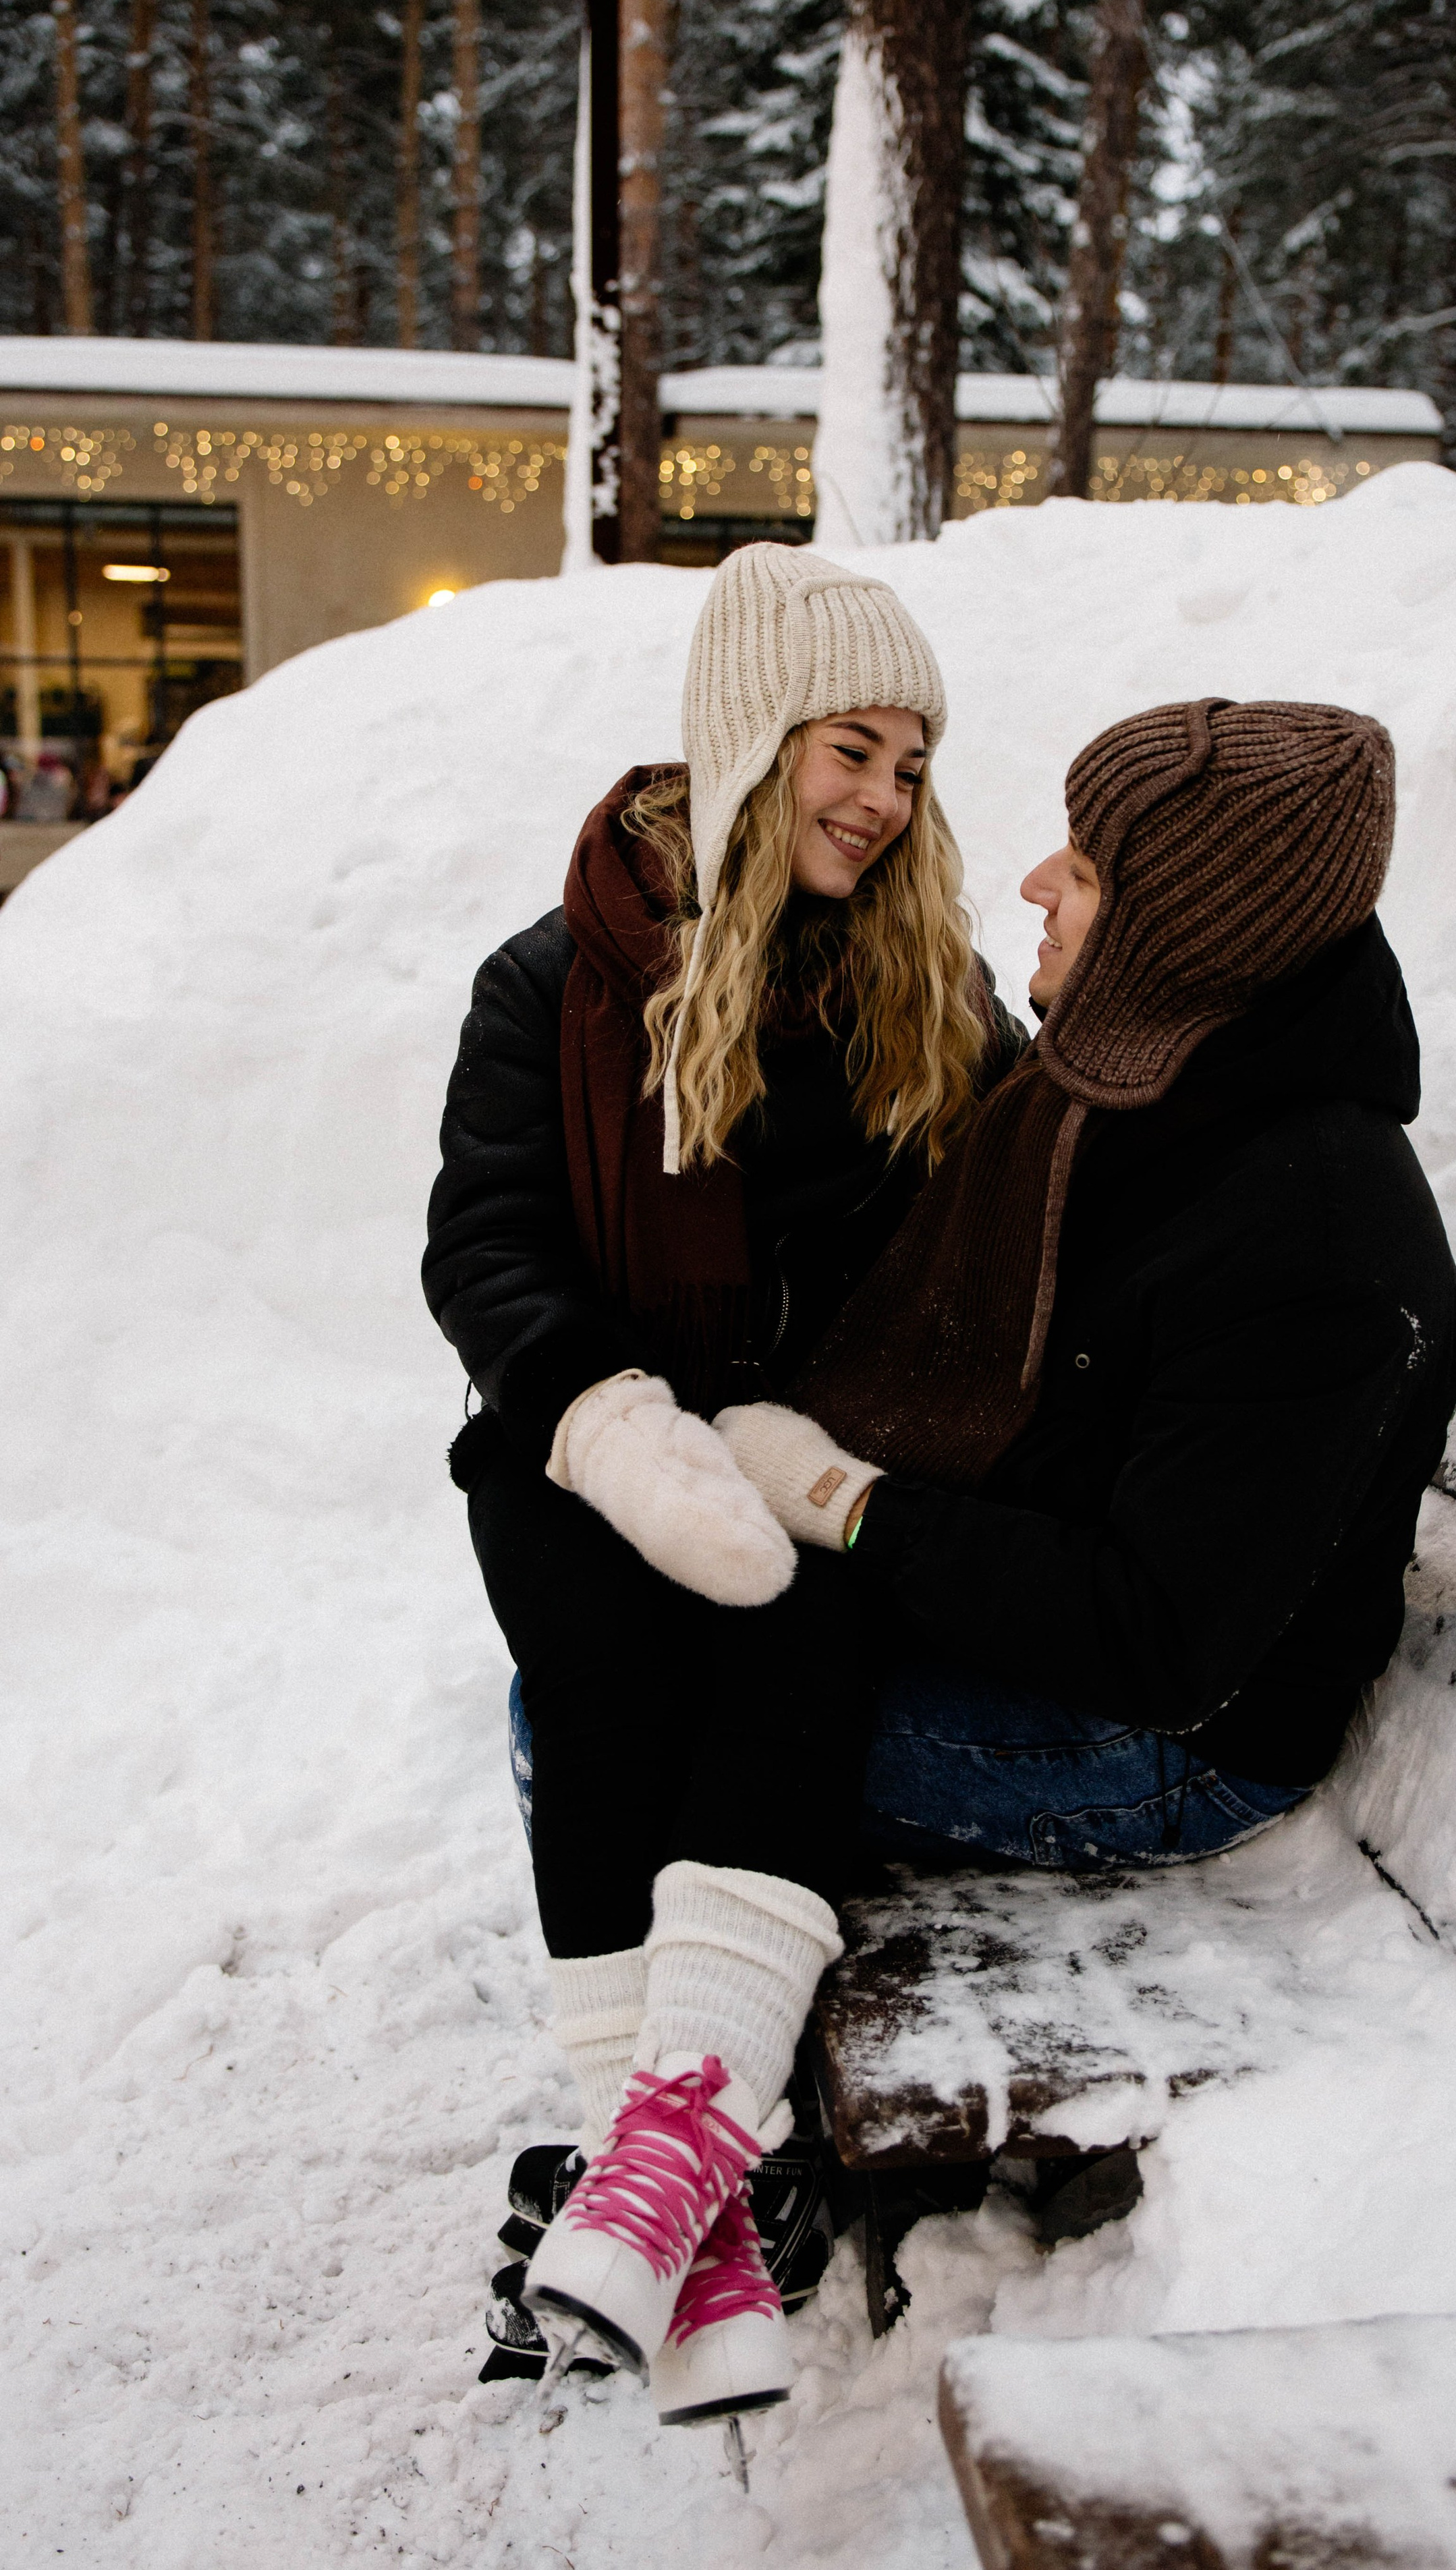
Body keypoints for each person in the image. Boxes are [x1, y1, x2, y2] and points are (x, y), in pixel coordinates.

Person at [422, 542, 1023, 2428]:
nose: (885, 800)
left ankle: (658, 2181)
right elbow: (485, 1243)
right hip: (585, 1440)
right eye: (853, 751)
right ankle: (694, 2227)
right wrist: (604, 1418)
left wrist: (821, 1444)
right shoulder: (558, 981)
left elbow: (1005, 1237)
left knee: (789, 1635)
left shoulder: (925, 989)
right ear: (756, 740)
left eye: (911, 766)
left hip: (805, 1461)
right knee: (599, 1662)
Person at [719, 696, 1456, 1873]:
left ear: (1184, 933)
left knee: (618, 1728)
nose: (1034, 885)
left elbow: (1157, 1642)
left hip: (1166, 1745)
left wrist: (846, 1501)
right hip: (1052, 1632)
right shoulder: (1144, 1089)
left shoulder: (1312, 1243)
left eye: (1081, 873)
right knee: (612, 1647)